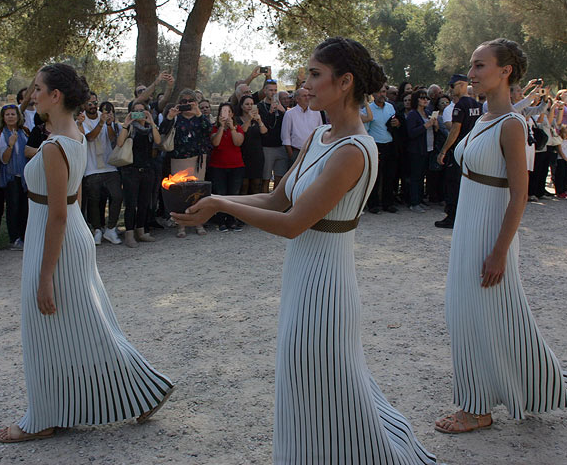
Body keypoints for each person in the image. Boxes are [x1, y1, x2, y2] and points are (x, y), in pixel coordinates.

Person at [172, 36, 435, 465]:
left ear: (345, 82)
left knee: (320, 380)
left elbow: (293, 224)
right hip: (303, 276)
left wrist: (221, 204)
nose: (304, 84)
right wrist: (212, 202)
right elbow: (278, 201)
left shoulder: (354, 150)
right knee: (308, 382)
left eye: (315, 74)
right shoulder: (318, 136)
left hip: (327, 286)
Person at [0, 63, 174, 444]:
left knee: (54, 326)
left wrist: (45, 277)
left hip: (56, 238)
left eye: (39, 88)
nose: (33, 94)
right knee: (85, 324)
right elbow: (66, 206)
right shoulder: (71, 136)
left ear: (55, 96)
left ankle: (43, 418)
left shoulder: (55, 145)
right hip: (67, 235)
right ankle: (142, 391)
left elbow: (58, 214)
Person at [435, 38, 567, 435]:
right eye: (472, 66)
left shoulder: (513, 124)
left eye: (480, 66)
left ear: (505, 71)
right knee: (470, 315)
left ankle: (477, 408)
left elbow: (520, 194)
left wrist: (499, 251)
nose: (472, 73)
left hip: (490, 234)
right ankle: (538, 383)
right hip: (467, 228)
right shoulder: (481, 119)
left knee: (481, 316)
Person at [159, 89, 211, 238]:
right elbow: (162, 131)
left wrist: (198, 112)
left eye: (190, 101)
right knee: (181, 192)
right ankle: (181, 225)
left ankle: (198, 222)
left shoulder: (199, 117)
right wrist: (169, 117)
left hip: (198, 159)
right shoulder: (176, 118)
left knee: (198, 192)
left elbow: (209, 130)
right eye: (184, 102)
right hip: (179, 158)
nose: (187, 104)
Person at [436, 74, 482, 228]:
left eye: (452, 85)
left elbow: (455, 130)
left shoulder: (461, 105)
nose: (450, 89)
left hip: (459, 150)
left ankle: (452, 216)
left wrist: (443, 151)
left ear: (462, 85)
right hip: (472, 148)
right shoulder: (476, 105)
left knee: (453, 184)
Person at [79, 92, 123, 245]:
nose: (92, 106)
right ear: (84, 105)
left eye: (94, 103)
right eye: (89, 104)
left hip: (109, 165)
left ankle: (110, 229)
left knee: (117, 196)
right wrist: (101, 124)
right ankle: (97, 229)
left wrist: (109, 124)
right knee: (94, 200)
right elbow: (89, 137)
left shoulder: (102, 116)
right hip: (91, 167)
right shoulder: (81, 119)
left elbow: (111, 138)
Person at [117, 103, 161, 247]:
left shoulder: (149, 129)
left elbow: (158, 141)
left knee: (144, 203)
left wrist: (152, 122)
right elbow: (119, 142)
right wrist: (126, 123)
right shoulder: (130, 128)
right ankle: (129, 233)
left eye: (142, 111)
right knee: (131, 204)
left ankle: (141, 231)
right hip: (131, 171)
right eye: (135, 111)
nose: (139, 114)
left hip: (147, 170)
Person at [0, 104, 38, 250]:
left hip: (25, 176)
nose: (10, 117)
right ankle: (14, 238)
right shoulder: (0, 134)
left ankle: (25, 236)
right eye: (7, 114)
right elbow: (4, 159)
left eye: (13, 114)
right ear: (3, 117)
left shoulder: (24, 132)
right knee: (13, 207)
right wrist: (11, 145)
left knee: (25, 207)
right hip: (11, 176)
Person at [209, 103, 245, 231]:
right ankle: (220, 220)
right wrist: (221, 127)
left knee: (233, 194)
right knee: (220, 194)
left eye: (228, 112)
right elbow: (215, 143)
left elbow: (238, 142)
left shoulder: (238, 128)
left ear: (232, 114)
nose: (226, 114)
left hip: (236, 165)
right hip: (218, 165)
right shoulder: (214, 128)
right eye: (223, 112)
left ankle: (232, 220)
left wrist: (232, 128)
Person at [364, 83, 400, 213]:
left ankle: (388, 203)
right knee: (375, 177)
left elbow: (395, 123)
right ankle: (373, 204)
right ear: (373, 94)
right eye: (379, 92)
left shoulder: (390, 107)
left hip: (390, 144)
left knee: (390, 176)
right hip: (376, 145)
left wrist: (397, 124)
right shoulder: (368, 110)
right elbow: (366, 130)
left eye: (384, 92)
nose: (382, 94)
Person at [406, 90, 438, 212]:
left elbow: (435, 130)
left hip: (428, 148)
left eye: (426, 98)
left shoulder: (428, 112)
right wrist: (426, 125)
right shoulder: (413, 114)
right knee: (415, 176)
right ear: (416, 100)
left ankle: (420, 200)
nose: (425, 100)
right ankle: (414, 202)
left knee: (422, 176)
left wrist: (435, 125)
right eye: (422, 98)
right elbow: (411, 133)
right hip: (416, 150)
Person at [258, 79, 287, 193]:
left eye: (275, 90)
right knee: (266, 178)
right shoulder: (260, 106)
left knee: (280, 177)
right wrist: (270, 112)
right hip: (267, 147)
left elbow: (288, 123)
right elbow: (264, 126)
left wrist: (283, 111)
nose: (273, 93)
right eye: (270, 90)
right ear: (265, 90)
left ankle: (275, 203)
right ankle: (264, 201)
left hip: (281, 146)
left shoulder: (282, 106)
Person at [280, 88, 323, 168]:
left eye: (308, 95)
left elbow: (319, 133)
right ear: (297, 99)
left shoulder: (316, 112)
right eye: (304, 96)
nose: (307, 98)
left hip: (312, 152)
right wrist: (292, 155)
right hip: (296, 152)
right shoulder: (289, 114)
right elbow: (285, 137)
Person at [237, 95, 267, 195]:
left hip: (257, 155)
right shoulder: (237, 119)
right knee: (244, 184)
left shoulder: (257, 120)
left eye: (251, 104)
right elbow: (242, 130)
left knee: (256, 183)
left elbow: (264, 132)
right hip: (243, 154)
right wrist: (248, 119)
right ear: (241, 106)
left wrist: (259, 121)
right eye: (247, 104)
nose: (249, 106)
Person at [555, 124, 567, 198]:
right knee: (561, 175)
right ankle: (560, 191)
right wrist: (566, 160)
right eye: (565, 132)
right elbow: (560, 151)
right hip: (561, 159)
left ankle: (566, 189)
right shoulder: (559, 140)